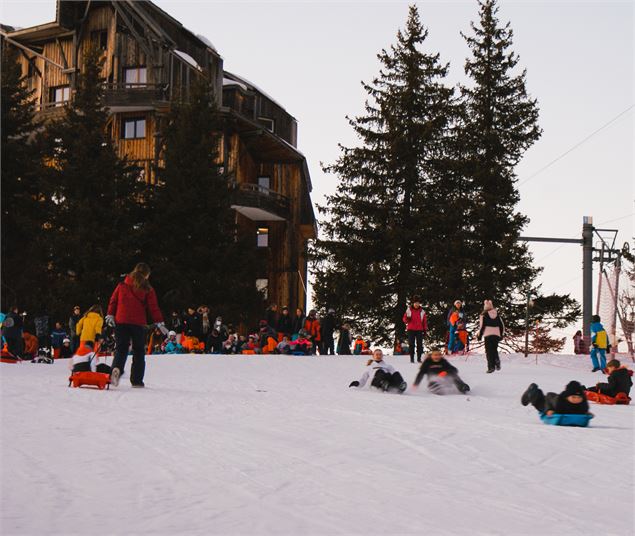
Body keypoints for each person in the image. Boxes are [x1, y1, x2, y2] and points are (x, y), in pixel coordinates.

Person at [106, 262, 165, 388]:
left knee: (121, 349)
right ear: (146, 275)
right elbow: (153, 307)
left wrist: (110, 314)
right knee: (138, 351)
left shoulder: (122, 285)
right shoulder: (148, 289)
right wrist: (159, 322)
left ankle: (116, 369)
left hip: (121, 321)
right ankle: (137, 380)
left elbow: (113, 300)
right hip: (138, 323)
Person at [521, 381, 589, 416]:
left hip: (559, 406)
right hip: (549, 403)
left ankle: (536, 392)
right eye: (573, 397)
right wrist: (549, 409)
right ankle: (531, 392)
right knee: (538, 403)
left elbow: (582, 410)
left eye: (579, 397)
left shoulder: (583, 403)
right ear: (567, 397)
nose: (576, 399)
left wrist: (586, 413)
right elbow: (549, 396)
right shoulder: (560, 402)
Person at [477, 300, 505, 373]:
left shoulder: (484, 314)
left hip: (488, 334)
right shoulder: (496, 314)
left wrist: (479, 335)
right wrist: (501, 334)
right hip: (496, 334)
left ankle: (491, 367)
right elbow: (501, 325)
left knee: (489, 351)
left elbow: (482, 326)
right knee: (494, 349)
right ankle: (497, 360)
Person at [403, 295, 427, 363]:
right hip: (411, 329)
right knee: (411, 344)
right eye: (415, 303)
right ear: (413, 303)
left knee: (420, 344)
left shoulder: (422, 311)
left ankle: (419, 358)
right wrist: (407, 319)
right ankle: (412, 358)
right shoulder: (409, 310)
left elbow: (424, 321)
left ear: (419, 303)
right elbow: (404, 319)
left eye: (418, 303)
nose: (416, 304)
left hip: (419, 329)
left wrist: (425, 330)